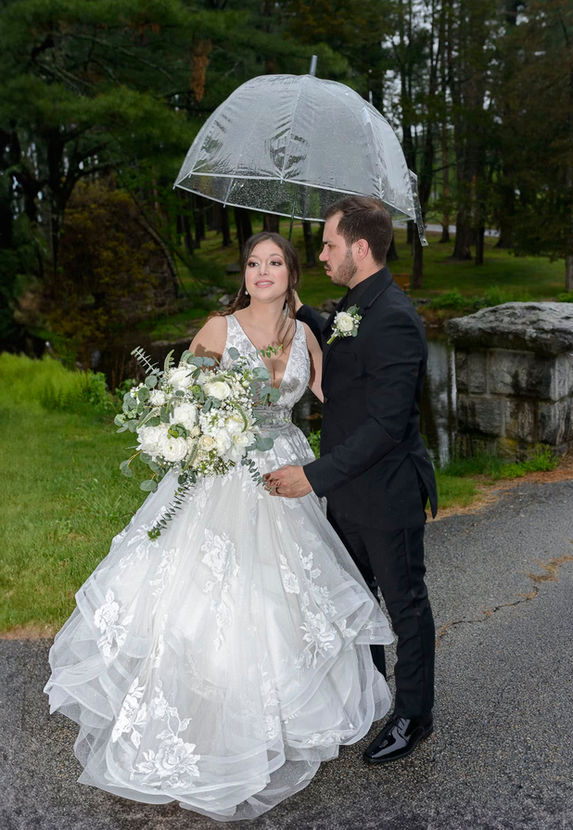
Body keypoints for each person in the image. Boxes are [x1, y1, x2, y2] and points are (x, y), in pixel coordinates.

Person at [44, 231, 393, 822]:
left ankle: (281, 712)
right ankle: (204, 714)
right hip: (224, 475)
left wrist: (378, 376)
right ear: (245, 273)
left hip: (287, 472)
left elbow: (342, 398)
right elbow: (175, 396)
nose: (262, 272)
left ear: (291, 273)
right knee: (210, 591)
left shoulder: (307, 334)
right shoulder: (217, 328)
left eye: (274, 263)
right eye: (254, 263)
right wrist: (189, 427)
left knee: (286, 593)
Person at [265, 198, 438, 765]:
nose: (321, 254)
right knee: (356, 603)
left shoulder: (395, 317)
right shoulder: (357, 304)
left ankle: (414, 715)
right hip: (346, 495)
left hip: (387, 495)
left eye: (329, 246)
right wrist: (308, 313)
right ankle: (370, 698)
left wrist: (312, 477)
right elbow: (344, 338)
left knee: (405, 605)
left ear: (360, 250)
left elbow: (388, 426)